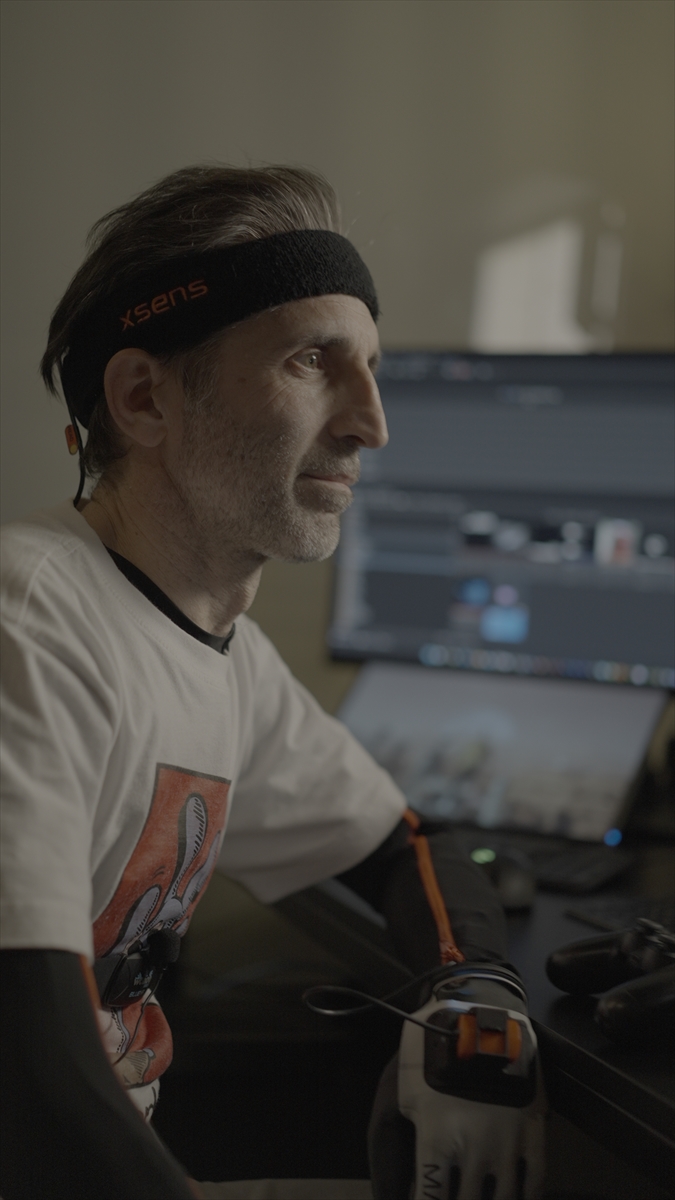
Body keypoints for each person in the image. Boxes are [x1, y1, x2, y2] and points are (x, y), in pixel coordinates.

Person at [0, 165, 545, 1200]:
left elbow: (405, 848)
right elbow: (28, 1079)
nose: (371, 423)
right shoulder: (29, 625)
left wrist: (474, 998)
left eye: (371, 369)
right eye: (311, 361)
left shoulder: (221, 650)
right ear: (144, 398)